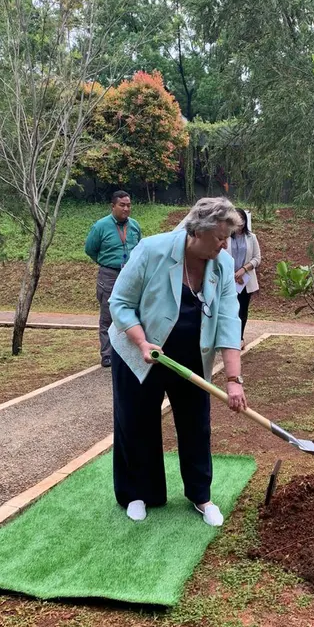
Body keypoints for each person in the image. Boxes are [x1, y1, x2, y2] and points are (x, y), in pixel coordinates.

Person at [108, 196, 247, 527]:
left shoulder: (223, 264)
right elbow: (120, 302)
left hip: (191, 354)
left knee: (196, 423)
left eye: (228, 237)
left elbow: (229, 319)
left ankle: (200, 495)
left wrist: (233, 379)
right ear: (197, 231)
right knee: (137, 421)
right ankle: (139, 493)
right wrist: (142, 342)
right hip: (139, 352)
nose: (225, 245)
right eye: (220, 237)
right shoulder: (153, 250)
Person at [85, 191, 142, 367]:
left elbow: (140, 247)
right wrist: (106, 263)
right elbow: (90, 249)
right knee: (108, 316)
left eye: (128, 205)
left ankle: (129, 352)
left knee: (133, 311)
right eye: (122, 205)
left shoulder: (134, 226)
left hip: (130, 275)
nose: (126, 208)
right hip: (110, 275)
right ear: (113, 206)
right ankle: (107, 354)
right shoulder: (101, 226)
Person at [227, 208, 262, 350]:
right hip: (229, 280)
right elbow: (218, 257)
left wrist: (243, 270)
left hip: (245, 281)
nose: (240, 221)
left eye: (242, 218)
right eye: (237, 218)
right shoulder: (226, 236)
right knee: (229, 311)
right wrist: (233, 274)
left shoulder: (251, 237)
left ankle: (239, 338)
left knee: (242, 310)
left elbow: (257, 258)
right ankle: (228, 338)